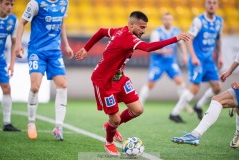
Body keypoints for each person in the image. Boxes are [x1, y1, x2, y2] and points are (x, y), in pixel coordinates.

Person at [75, 11, 190, 156]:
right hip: (103, 81)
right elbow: (149, 48)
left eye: (145, 28)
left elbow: (101, 31)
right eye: (141, 27)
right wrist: (176, 38)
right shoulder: (128, 38)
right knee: (115, 119)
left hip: (120, 79)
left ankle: (110, 125)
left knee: (138, 110)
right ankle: (109, 142)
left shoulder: (119, 31)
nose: (143, 31)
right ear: (131, 25)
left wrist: (86, 48)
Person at [15, 0, 73, 141]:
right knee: (35, 87)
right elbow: (22, 22)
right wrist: (17, 44)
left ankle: (58, 128)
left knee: (63, 85)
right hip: (37, 51)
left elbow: (62, 23)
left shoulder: (64, 3)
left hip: (54, 52)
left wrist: (66, 45)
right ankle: (31, 123)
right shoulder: (35, 4)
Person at [169, 0, 223, 123]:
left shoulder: (219, 21)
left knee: (217, 87)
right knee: (195, 88)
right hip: (197, 60)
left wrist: (220, 56)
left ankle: (198, 105)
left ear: (217, 5)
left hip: (209, 61)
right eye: (209, 2)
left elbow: (218, 39)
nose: (212, 5)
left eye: (214, 3)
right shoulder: (199, 21)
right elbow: (188, 39)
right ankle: (175, 113)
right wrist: (193, 57)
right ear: (206, 4)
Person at [171, 51, 239, 146]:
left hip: (203, 61)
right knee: (219, 99)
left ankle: (194, 134)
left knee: (218, 99)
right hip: (200, 60)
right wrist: (229, 71)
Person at [139, 13, 192, 117]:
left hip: (170, 62)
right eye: (166, 19)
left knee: (180, 81)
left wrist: (185, 55)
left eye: (170, 19)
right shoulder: (157, 32)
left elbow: (181, 45)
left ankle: (184, 104)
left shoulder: (176, 31)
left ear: (172, 20)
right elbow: (152, 47)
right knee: (150, 84)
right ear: (163, 20)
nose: (168, 21)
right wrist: (163, 51)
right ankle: (140, 103)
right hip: (158, 63)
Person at [0, 0, 20, 131]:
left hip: (0, 60)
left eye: (12, 5)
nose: (9, 7)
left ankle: (7, 123)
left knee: (7, 88)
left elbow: (14, 44)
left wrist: (12, 64)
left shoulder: (13, 20)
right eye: (7, 4)